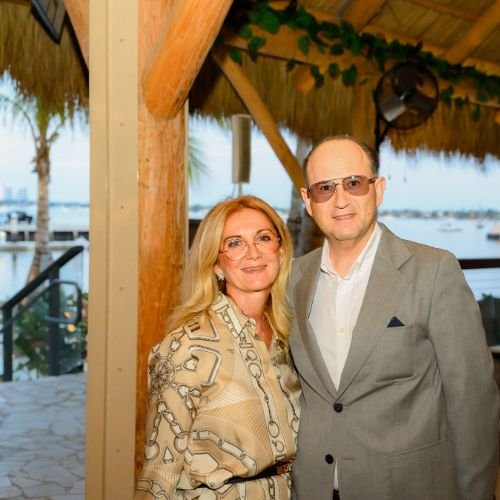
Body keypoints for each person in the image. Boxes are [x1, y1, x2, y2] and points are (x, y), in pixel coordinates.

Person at [289, 135, 499, 500]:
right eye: (325, 188)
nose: (341, 200)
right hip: (313, 488)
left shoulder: (434, 272)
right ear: (308, 201)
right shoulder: (293, 279)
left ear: (378, 189)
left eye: (353, 183)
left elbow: (473, 403)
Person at [136, 195, 301, 499]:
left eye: (263, 238)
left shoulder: (291, 337)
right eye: (235, 243)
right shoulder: (187, 347)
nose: (253, 252)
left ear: (280, 251)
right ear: (215, 264)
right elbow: (159, 475)